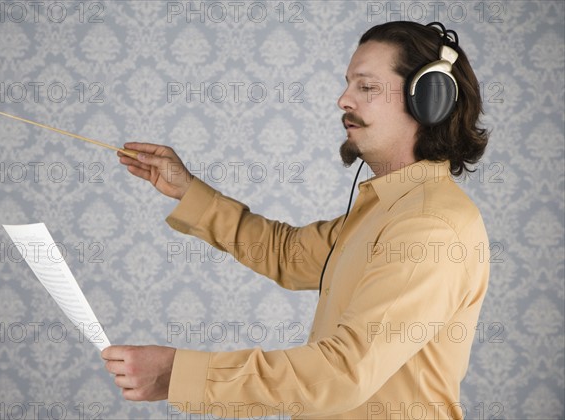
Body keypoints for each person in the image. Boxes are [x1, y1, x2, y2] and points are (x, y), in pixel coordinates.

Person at [102, 21, 490, 419]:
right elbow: (287, 254)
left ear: (428, 101)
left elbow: (343, 372)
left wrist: (176, 374)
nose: (343, 99)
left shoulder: (428, 227)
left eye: (366, 87)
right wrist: (187, 190)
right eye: (347, 84)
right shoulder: (387, 210)